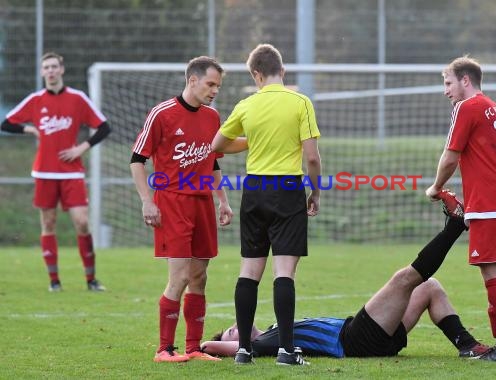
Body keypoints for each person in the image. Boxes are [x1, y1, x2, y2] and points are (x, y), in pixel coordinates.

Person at [201, 195, 491, 360]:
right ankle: (455, 226)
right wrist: (199, 349)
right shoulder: (265, 344)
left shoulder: (276, 330)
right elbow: (209, 346)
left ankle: (467, 346)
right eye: (231, 331)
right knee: (405, 279)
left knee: (429, 287)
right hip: (354, 341)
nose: (235, 327)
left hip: (364, 334)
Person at [211, 43, 321, 366]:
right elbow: (311, 157)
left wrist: (253, 140)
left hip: (254, 188)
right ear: (282, 71)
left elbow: (217, 145)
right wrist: (316, 193)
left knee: (249, 270)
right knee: (283, 271)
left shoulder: (247, 105)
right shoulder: (300, 102)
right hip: (287, 188)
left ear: (256, 75)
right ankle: (287, 351)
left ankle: (244, 350)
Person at [130, 56, 233, 363]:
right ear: (193, 80)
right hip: (172, 202)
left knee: (200, 276)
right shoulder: (162, 114)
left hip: (202, 202)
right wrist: (147, 200)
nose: (215, 90)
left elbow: (212, 162)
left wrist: (222, 200)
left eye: (218, 85)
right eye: (210, 84)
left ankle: (193, 348)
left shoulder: (212, 117)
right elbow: (137, 159)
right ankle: (164, 349)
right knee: (180, 277)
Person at [426, 56, 496, 361]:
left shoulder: (466, 107)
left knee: (492, 273)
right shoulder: (495, 108)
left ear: (465, 80)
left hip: (491, 203)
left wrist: (435, 187)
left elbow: (451, 156)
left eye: (448, 83)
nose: (446, 91)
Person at [0, 52, 111, 292]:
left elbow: (104, 127)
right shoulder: (36, 99)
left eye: (54, 67)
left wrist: (81, 147)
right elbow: (6, 123)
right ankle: (54, 282)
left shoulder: (77, 99)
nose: (50, 71)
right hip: (45, 173)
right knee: (48, 223)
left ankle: (91, 280)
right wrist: (31, 130)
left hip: (72, 173)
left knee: (82, 222)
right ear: (42, 73)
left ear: (61, 70)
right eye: (46, 68)